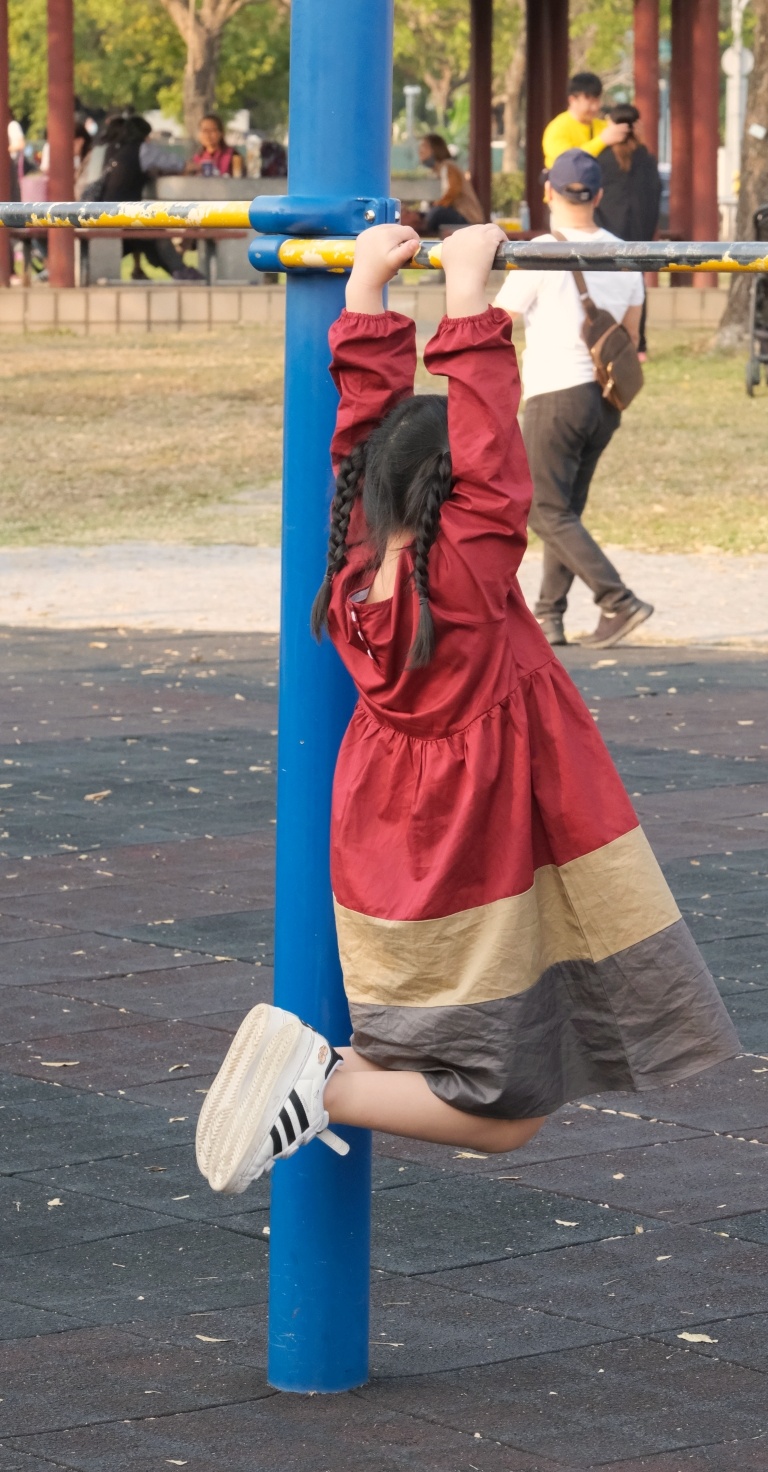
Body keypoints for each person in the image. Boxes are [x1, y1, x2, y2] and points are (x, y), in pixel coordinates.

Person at [195, 220, 737, 1196]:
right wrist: (467, 298)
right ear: (461, 504)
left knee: (440, 1059)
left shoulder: (355, 563)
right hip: (470, 852)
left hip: (389, 845)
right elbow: (489, 461)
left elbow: (364, 431)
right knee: (506, 1107)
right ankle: (321, 1086)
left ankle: (319, 1084)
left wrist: (365, 291)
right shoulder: (466, 590)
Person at [494, 149, 654, 648]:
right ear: (599, 195)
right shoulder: (625, 253)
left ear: (548, 192)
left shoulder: (542, 251)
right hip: (605, 400)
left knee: (542, 510)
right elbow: (631, 335)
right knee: (563, 511)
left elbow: (498, 319)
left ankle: (618, 600)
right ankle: (549, 615)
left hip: (555, 393)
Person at [95, 115, 203, 282]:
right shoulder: (142, 149)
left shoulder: (113, 150)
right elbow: (175, 163)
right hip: (121, 214)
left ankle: (172, 269)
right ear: (144, 134)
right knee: (156, 230)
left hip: (104, 210)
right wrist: (195, 166)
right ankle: (180, 270)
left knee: (147, 231)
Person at [595, 102, 662, 359]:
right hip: (638, 233)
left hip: (608, 232)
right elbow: (654, 196)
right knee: (637, 286)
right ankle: (639, 344)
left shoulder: (602, 158)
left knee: (603, 285)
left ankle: (605, 338)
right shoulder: (646, 158)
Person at [542, 71, 630, 167]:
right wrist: (602, 141)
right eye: (590, 102)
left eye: (597, 100)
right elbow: (569, 161)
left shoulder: (605, 127)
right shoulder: (557, 128)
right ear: (572, 100)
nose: (595, 107)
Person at [417, 133, 484, 234]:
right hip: (455, 215)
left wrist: (437, 204)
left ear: (436, 148)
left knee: (436, 213)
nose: (420, 151)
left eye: (424, 146)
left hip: (468, 218)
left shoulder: (448, 166)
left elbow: (453, 191)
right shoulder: (436, 171)